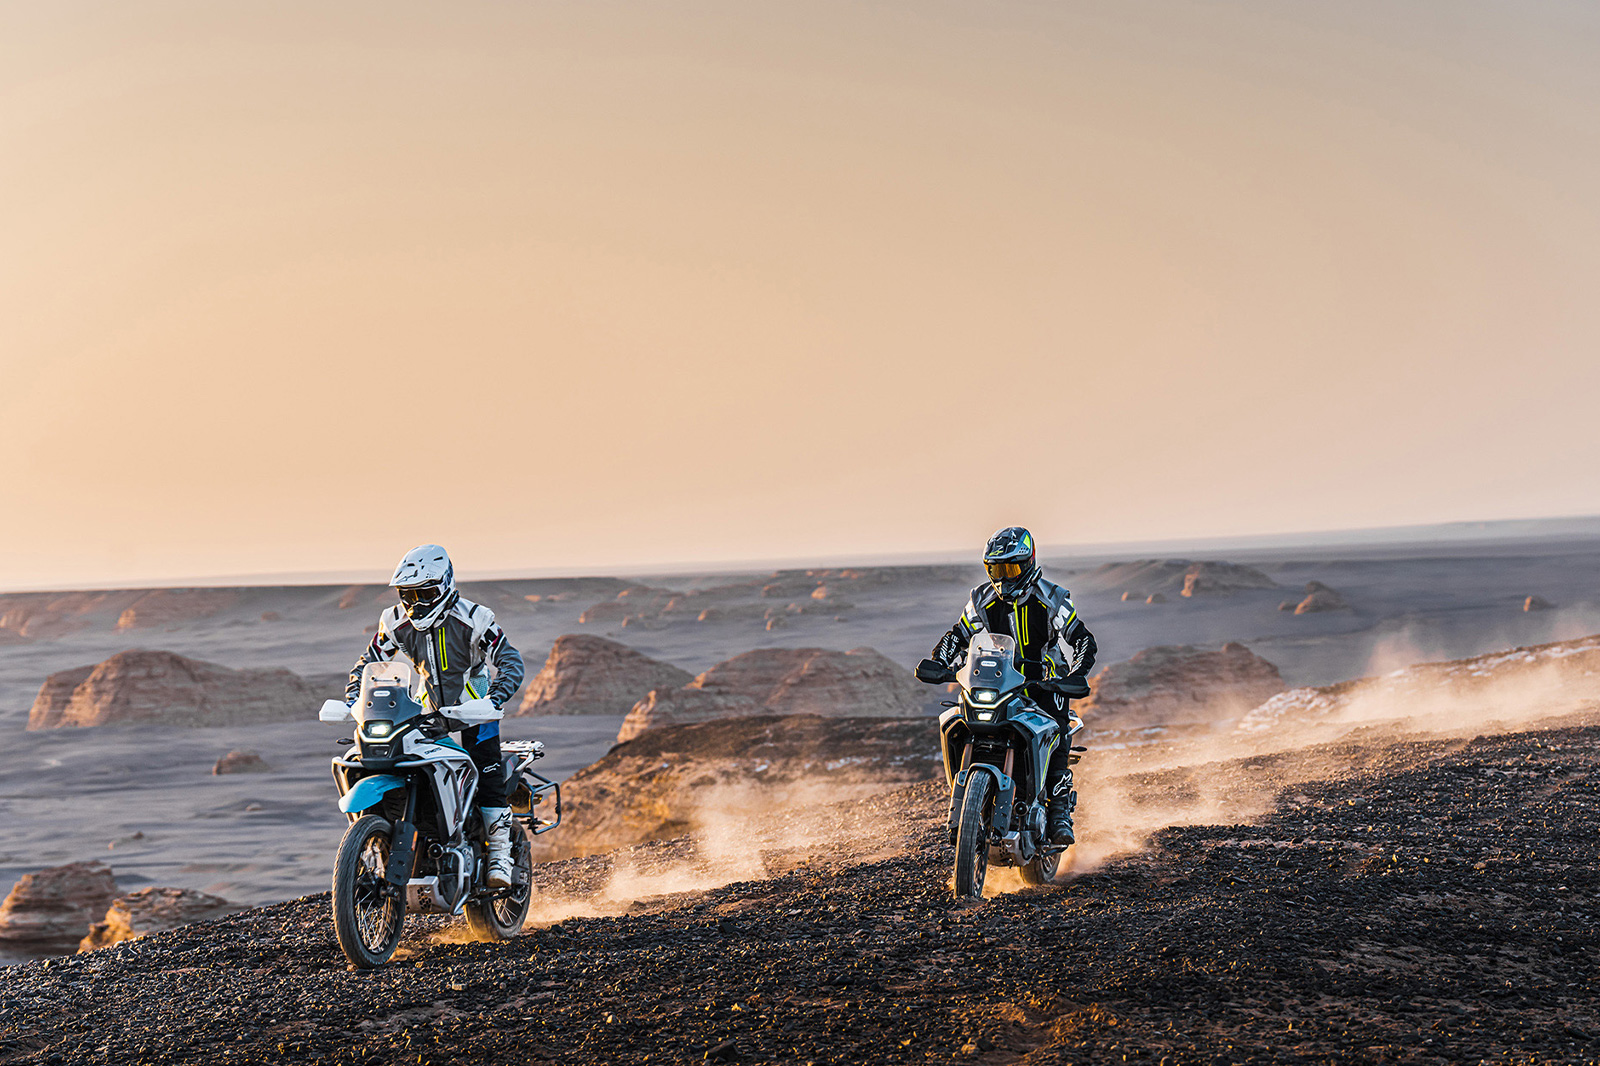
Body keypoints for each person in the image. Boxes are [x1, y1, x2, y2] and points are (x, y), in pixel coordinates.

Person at [346, 545, 526, 887]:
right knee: (398, 764)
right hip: (426, 712)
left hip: (475, 710)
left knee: (488, 777)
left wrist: (495, 698)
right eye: (408, 595)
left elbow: (510, 660)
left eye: (425, 593)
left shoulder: (475, 619)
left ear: (445, 586)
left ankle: (500, 856)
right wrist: (354, 698)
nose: (416, 604)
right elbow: (368, 662)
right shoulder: (394, 621)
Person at [929, 526, 1097, 845]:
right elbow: (957, 635)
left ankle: (1059, 811)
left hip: (1045, 683)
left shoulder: (1053, 598)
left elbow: (1082, 639)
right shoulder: (981, 599)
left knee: (1058, 729)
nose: (1004, 578)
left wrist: (1076, 674)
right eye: (996, 570)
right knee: (962, 719)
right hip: (999, 678)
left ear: (1028, 563)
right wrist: (939, 661)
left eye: (1011, 569)